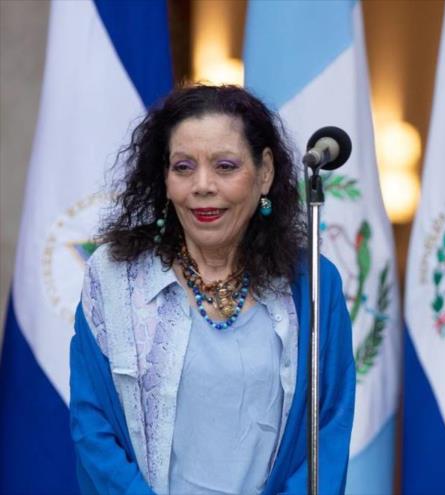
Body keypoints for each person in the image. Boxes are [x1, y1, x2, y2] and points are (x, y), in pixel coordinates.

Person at [69, 85, 355, 495]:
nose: (202, 185)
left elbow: (328, 427)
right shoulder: (113, 277)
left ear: (266, 173)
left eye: (225, 166)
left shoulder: (312, 282)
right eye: (183, 167)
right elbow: (92, 428)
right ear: (164, 179)